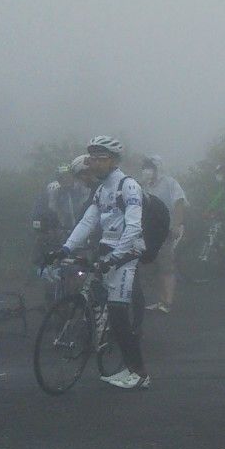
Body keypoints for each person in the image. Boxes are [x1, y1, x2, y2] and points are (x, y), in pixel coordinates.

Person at [45, 136, 152, 389]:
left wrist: (116, 257)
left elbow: (134, 226)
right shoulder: (102, 190)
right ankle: (124, 365)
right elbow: (87, 222)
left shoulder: (128, 186)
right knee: (108, 309)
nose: (93, 163)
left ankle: (140, 374)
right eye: (91, 158)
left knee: (118, 314)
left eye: (99, 158)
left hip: (125, 256)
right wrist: (65, 248)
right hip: (108, 251)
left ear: (114, 161)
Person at [135, 156, 187, 312]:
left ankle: (168, 301)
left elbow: (179, 202)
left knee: (166, 265)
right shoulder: (142, 186)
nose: (146, 171)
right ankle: (161, 299)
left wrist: (177, 225)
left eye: (149, 167)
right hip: (148, 232)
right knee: (154, 267)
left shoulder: (169, 183)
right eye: (145, 167)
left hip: (166, 230)